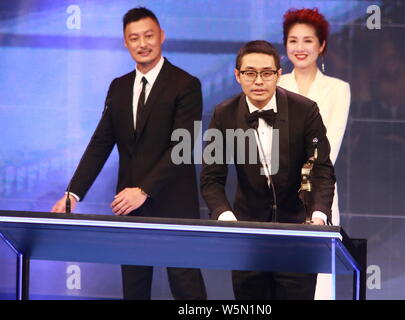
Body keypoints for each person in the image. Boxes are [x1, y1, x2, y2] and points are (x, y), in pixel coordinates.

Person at [51, 7, 207, 300]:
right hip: (129, 206)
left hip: (174, 203)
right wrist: (73, 193)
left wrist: (144, 189)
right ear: (125, 42)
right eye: (134, 38)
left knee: (187, 287)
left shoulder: (186, 85)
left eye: (148, 35)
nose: (142, 43)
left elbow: (182, 147)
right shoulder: (119, 87)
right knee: (134, 288)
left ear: (161, 36)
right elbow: (100, 143)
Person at [200, 40, 335, 300]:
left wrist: (318, 216)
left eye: (267, 73)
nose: (258, 81)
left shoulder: (305, 110)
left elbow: (321, 169)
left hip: (297, 235)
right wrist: (228, 221)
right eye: (250, 73)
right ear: (237, 75)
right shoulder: (224, 114)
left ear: (278, 74)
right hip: (247, 238)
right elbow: (211, 178)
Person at [277, 7, 351, 300]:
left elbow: (328, 146)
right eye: (293, 40)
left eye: (308, 41)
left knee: (319, 280)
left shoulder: (338, 89)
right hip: (276, 192)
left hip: (320, 190)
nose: (300, 47)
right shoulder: (275, 85)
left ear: (321, 46)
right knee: (278, 272)